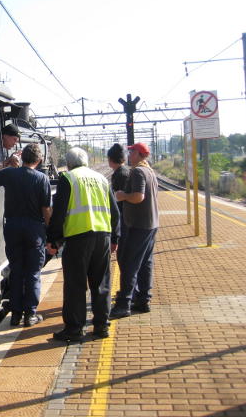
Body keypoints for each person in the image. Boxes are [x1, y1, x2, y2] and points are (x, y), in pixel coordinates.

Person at [46, 147, 120, 341]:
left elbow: (59, 213)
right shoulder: (102, 180)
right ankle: (101, 327)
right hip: (102, 236)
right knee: (101, 284)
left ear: (69, 164)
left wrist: (53, 239)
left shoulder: (68, 179)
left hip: (78, 239)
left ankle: (74, 329)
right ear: (86, 161)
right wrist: (115, 238)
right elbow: (115, 212)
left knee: (75, 286)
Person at [0, 141, 52, 327]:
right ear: (40, 159)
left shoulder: (10, 173)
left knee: (17, 270)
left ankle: (15, 315)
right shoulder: (42, 179)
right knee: (33, 273)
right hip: (34, 229)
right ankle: (30, 315)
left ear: (22, 157)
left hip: (12, 228)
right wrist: (51, 232)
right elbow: (46, 210)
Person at [109, 142, 159, 319]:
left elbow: (138, 196)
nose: (128, 155)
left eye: (131, 152)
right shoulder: (150, 171)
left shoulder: (138, 171)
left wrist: (123, 196)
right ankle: (143, 299)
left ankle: (124, 304)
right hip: (150, 224)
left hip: (138, 225)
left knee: (130, 264)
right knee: (145, 262)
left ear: (138, 154)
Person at [107, 143, 130, 271]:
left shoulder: (120, 174)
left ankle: (127, 289)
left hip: (123, 218)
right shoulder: (124, 171)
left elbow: (116, 200)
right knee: (124, 256)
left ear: (111, 159)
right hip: (125, 217)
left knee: (123, 256)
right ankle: (127, 288)